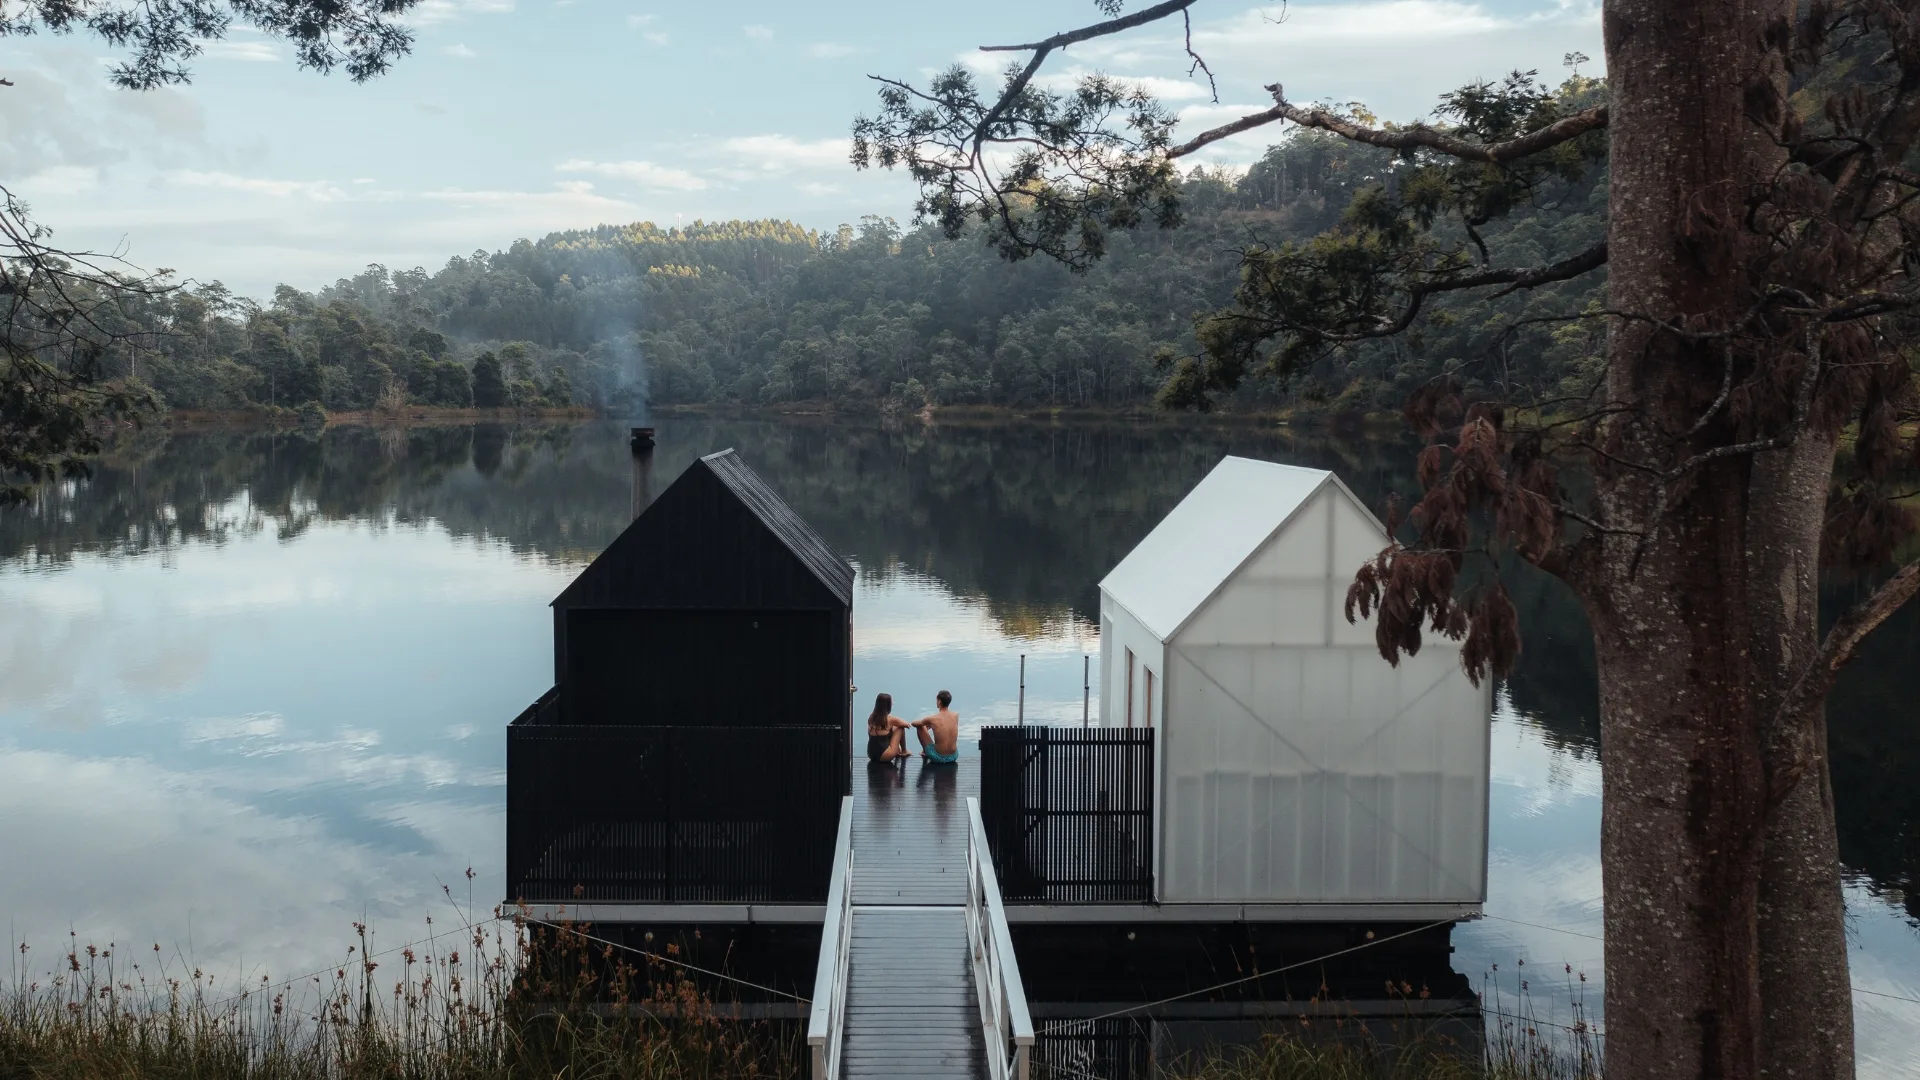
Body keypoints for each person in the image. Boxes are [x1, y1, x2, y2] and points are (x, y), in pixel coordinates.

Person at [913, 690, 961, 764]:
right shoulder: (955, 715)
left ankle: (925, 752)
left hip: (938, 757)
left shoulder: (933, 719)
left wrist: (926, 724)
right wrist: (931, 725)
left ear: (939, 701)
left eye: (937, 700)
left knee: (920, 727)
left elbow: (914, 724)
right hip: (954, 756)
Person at [865, 693, 912, 764]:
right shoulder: (890, 719)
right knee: (900, 728)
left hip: (871, 754)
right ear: (888, 705)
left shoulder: (871, 717)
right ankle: (904, 751)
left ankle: (897, 750)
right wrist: (895, 723)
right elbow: (907, 725)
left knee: (889, 729)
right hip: (885, 756)